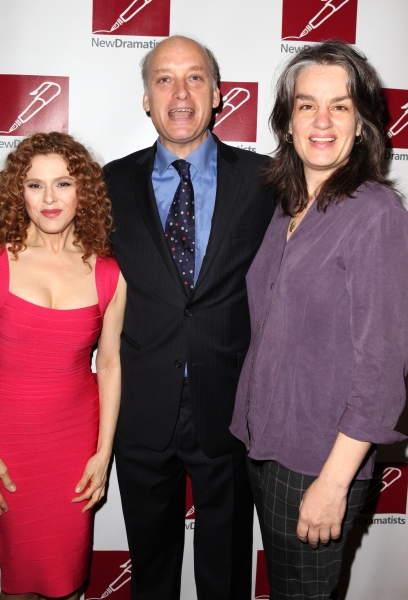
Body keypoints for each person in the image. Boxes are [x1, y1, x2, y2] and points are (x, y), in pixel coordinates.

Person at [230, 40, 408, 600]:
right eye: (307, 105)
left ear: (362, 124)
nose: (322, 120)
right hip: (267, 446)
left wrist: (334, 483)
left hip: (320, 461)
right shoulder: (289, 203)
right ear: (287, 122)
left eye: (341, 105)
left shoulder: (376, 213)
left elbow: (381, 369)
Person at [103, 35, 276, 600]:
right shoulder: (109, 184)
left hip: (228, 409)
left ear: (219, 93)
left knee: (224, 575)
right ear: (146, 100)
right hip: (139, 410)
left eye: (195, 77)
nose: (181, 93)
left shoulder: (266, 180)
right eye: (164, 79)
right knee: (150, 574)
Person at [0, 132, 126, 600]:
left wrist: (103, 453)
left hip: (76, 442)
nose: (50, 199)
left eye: (63, 184)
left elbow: (111, 364)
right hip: (10, 442)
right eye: (35, 186)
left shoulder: (108, 272)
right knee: (19, 582)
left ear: (84, 191)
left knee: (67, 583)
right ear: (20, 193)